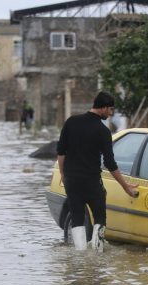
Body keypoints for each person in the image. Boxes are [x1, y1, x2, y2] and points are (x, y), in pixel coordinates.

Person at [57, 91, 139, 252]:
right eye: (110, 110)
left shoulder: (71, 122)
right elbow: (110, 163)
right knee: (100, 217)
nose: (110, 114)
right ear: (103, 108)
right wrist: (125, 186)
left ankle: (80, 255)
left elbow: (61, 153)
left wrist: (63, 175)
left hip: (72, 181)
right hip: (92, 182)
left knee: (77, 216)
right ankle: (97, 253)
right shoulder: (103, 131)